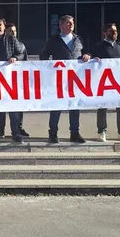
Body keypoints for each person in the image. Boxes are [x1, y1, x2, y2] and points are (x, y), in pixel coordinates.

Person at [40, 15, 92, 144]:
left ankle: (75, 133)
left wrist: (87, 55)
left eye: (72, 22)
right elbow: (43, 56)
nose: (71, 25)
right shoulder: (54, 40)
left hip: (76, 79)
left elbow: (87, 52)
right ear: (61, 25)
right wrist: (50, 68)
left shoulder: (79, 39)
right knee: (56, 106)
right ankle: (53, 133)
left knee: (74, 106)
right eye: (68, 23)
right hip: (59, 79)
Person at [92, 24, 120, 142]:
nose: (114, 33)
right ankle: (102, 132)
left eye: (115, 31)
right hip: (104, 81)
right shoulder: (98, 46)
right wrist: (93, 59)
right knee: (102, 107)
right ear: (104, 33)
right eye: (111, 31)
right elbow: (91, 59)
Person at [8, 22, 29, 139]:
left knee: (19, 106)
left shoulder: (21, 45)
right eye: (10, 31)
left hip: (18, 80)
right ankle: (1, 130)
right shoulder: (3, 44)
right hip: (4, 80)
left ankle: (18, 128)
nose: (12, 33)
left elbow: (24, 59)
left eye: (14, 31)